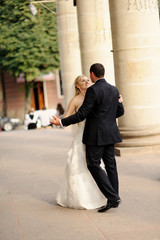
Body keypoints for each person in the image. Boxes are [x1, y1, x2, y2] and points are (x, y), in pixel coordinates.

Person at [51, 63, 124, 213]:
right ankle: (114, 196)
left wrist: (62, 122)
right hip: (110, 133)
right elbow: (119, 112)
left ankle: (113, 197)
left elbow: (82, 114)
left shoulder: (93, 90)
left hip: (95, 135)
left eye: (87, 78)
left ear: (92, 74)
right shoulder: (113, 89)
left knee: (93, 164)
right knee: (111, 165)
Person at [56, 75, 106, 209]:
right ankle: (82, 198)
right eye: (83, 81)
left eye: (87, 79)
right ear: (77, 85)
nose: (87, 82)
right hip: (82, 136)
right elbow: (66, 119)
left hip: (95, 135)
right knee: (79, 164)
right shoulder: (76, 100)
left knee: (96, 165)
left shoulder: (94, 95)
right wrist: (59, 121)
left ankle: (101, 195)